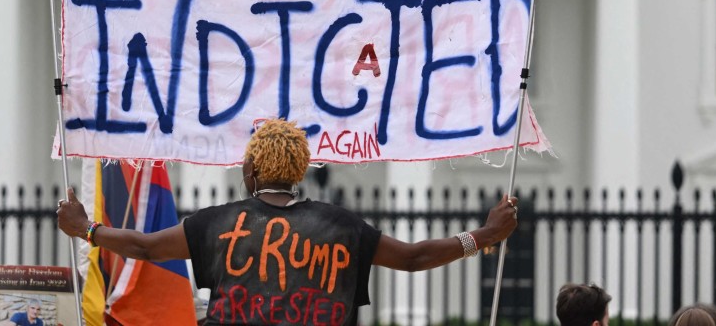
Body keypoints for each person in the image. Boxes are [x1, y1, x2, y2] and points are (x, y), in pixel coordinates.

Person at [57, 118, 519, 325]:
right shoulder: (342, 226)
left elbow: (143, 248)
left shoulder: (216, 222)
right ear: (297, 170)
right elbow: (414, 257)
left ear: (252, 170)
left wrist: (88, 230)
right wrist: (483, 235)